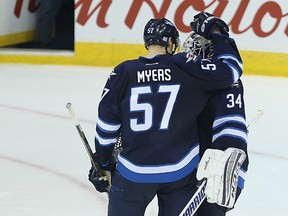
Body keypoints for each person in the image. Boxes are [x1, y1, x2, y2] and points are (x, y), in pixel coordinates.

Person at [88, 12, 243, 215]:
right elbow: (231, 69)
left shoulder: (122, 71)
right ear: (170, 42)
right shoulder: (183, 66)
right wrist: (217, 34)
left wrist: (104, 163)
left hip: (133, 173)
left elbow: (107, 127)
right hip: (179, 173)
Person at [182, 32, 249, 215]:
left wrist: (221, 167)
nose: (191, 59)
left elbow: (231, 130)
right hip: (191, 171)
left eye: (194, 54)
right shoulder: (190, 80)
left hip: (217, 174)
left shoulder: (226, 84)